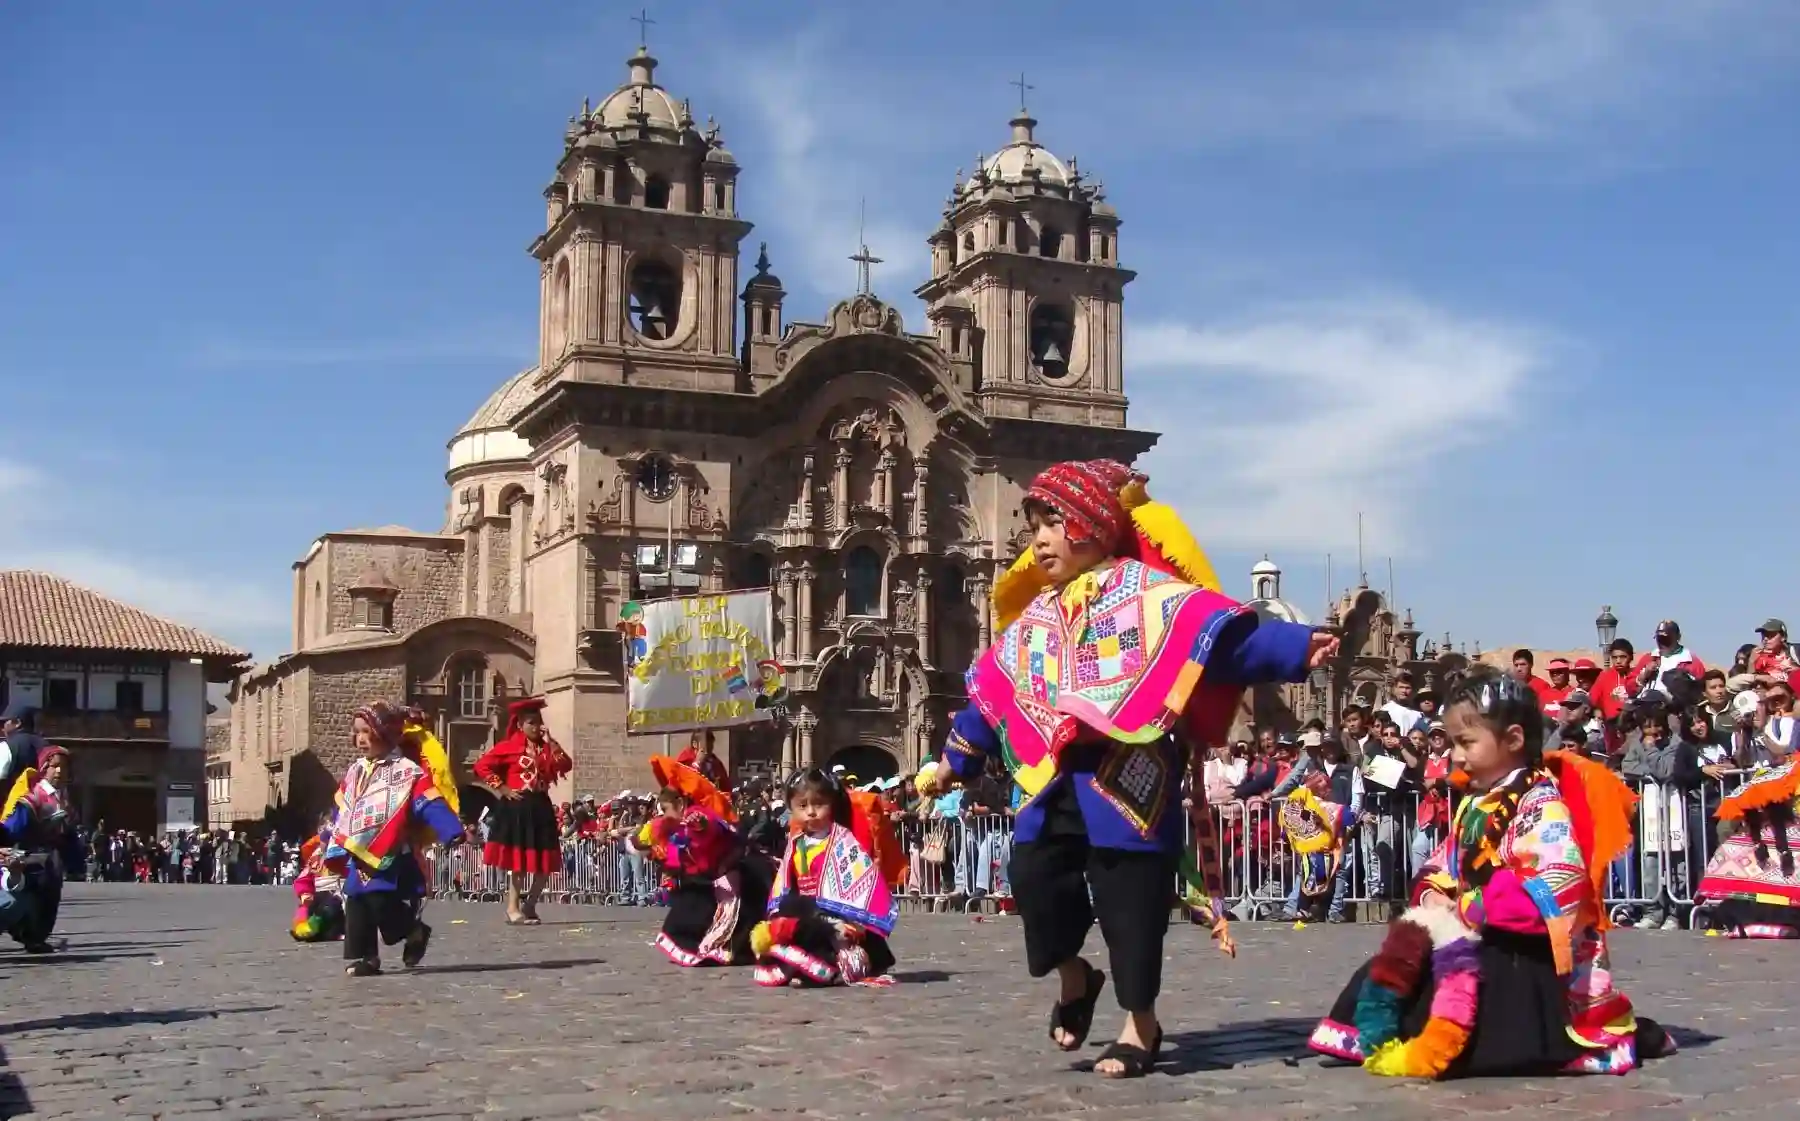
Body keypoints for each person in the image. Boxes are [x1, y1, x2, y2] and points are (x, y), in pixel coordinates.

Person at [913, 459, 1335, 1078]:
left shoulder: (1148, 596)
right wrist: (954, 761)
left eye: (1052, 522)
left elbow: (1219, 640)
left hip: (1130, 773)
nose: (1040, 540)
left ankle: (1140, 1022)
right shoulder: (1037, 619)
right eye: (1035, 527)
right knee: (1032, 877)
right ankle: (1075, 975)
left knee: (1129, 899)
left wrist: (1297, 647)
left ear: (1091, 522)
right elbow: (996, 693)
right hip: (1053, 778)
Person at [1309, 670, 1674, 1078]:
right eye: (1452, 744)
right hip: (1471, 935)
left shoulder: (1542, 803)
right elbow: (1444, 865)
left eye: (1466, 743)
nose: (1456, 756)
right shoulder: (1476, 802)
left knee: (1474, 998)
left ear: (1513, 740)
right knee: (1401, 961)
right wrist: (1432, 894)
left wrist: (1472, 906)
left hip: (1522, 954)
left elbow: (1557, 889)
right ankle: (1372, 1033)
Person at [325, 701, 464, 976]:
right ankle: (367, 957)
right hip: (358, 848)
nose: (361, 738)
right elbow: (344, 806)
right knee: (355, 899)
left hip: (389, 848)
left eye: (367, 731)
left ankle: (413, 930)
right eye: (357, 732)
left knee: (378, 896)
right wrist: (328, 832)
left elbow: (428, 800)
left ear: (385, 733)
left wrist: (450, 829)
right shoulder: (356, 770)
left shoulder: (406, 771)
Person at [750, 767, 899, 988]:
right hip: (804, 910)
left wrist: (850, 919)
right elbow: (786, 883)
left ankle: (830, 965)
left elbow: (862, 880)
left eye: (818, 804)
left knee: (828, 934)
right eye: (802, 805)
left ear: (832, 805)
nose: (811, 812)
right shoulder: (795, 843)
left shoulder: (843, 840)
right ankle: (800, 962)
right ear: (791, 807)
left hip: (837, 913)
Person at [637, 756, 774, 967]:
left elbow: (708, 827)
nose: (662, 815)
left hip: (722, 878)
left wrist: (698, 823)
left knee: (703, 916)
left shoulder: (696, 814)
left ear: (680, 803)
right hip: (705, 879)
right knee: (690, 912)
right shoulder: (677, 825)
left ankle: (708, 949)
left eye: (665, 809)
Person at [473, 697, 572, 924]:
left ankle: (530, 905)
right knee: (518, 863)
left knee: (545, 862)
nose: (536, 727)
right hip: (518, 806)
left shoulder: (547, 749)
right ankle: (512, 907)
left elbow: (565, 765)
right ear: (520, 725)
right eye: (531, 723)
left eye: (538, 722)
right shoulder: (508, 747)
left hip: (541, 806)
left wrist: (552, 742)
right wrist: (503, 787)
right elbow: (481, 766)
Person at [1697, 751, 1800, 938]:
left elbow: (1715, 874)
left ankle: (1752, 925)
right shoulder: (1793, 833)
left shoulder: (1740, 840)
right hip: (1787, 911)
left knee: (1732, 909)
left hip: (1758, 911)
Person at [0, 745, 82, 952]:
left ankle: (37, 936)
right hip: (32, 856)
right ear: (44, 768)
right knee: (30, 895)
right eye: (54, 766)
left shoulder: (62, 798)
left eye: (64, 767)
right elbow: (14, 828)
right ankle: (26, 932)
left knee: (49, 898)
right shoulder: (33, 797)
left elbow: (68, 832)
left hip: (52, 857)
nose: (59, 771)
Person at [289, 819, 345, 943]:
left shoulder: (345, 854)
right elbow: (304, 879)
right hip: (319, 897)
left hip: (340, 898)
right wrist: (305, 894)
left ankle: (322, 932)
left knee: (330, 909)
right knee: (306, 910)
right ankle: (305, 930)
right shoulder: (315, 857)